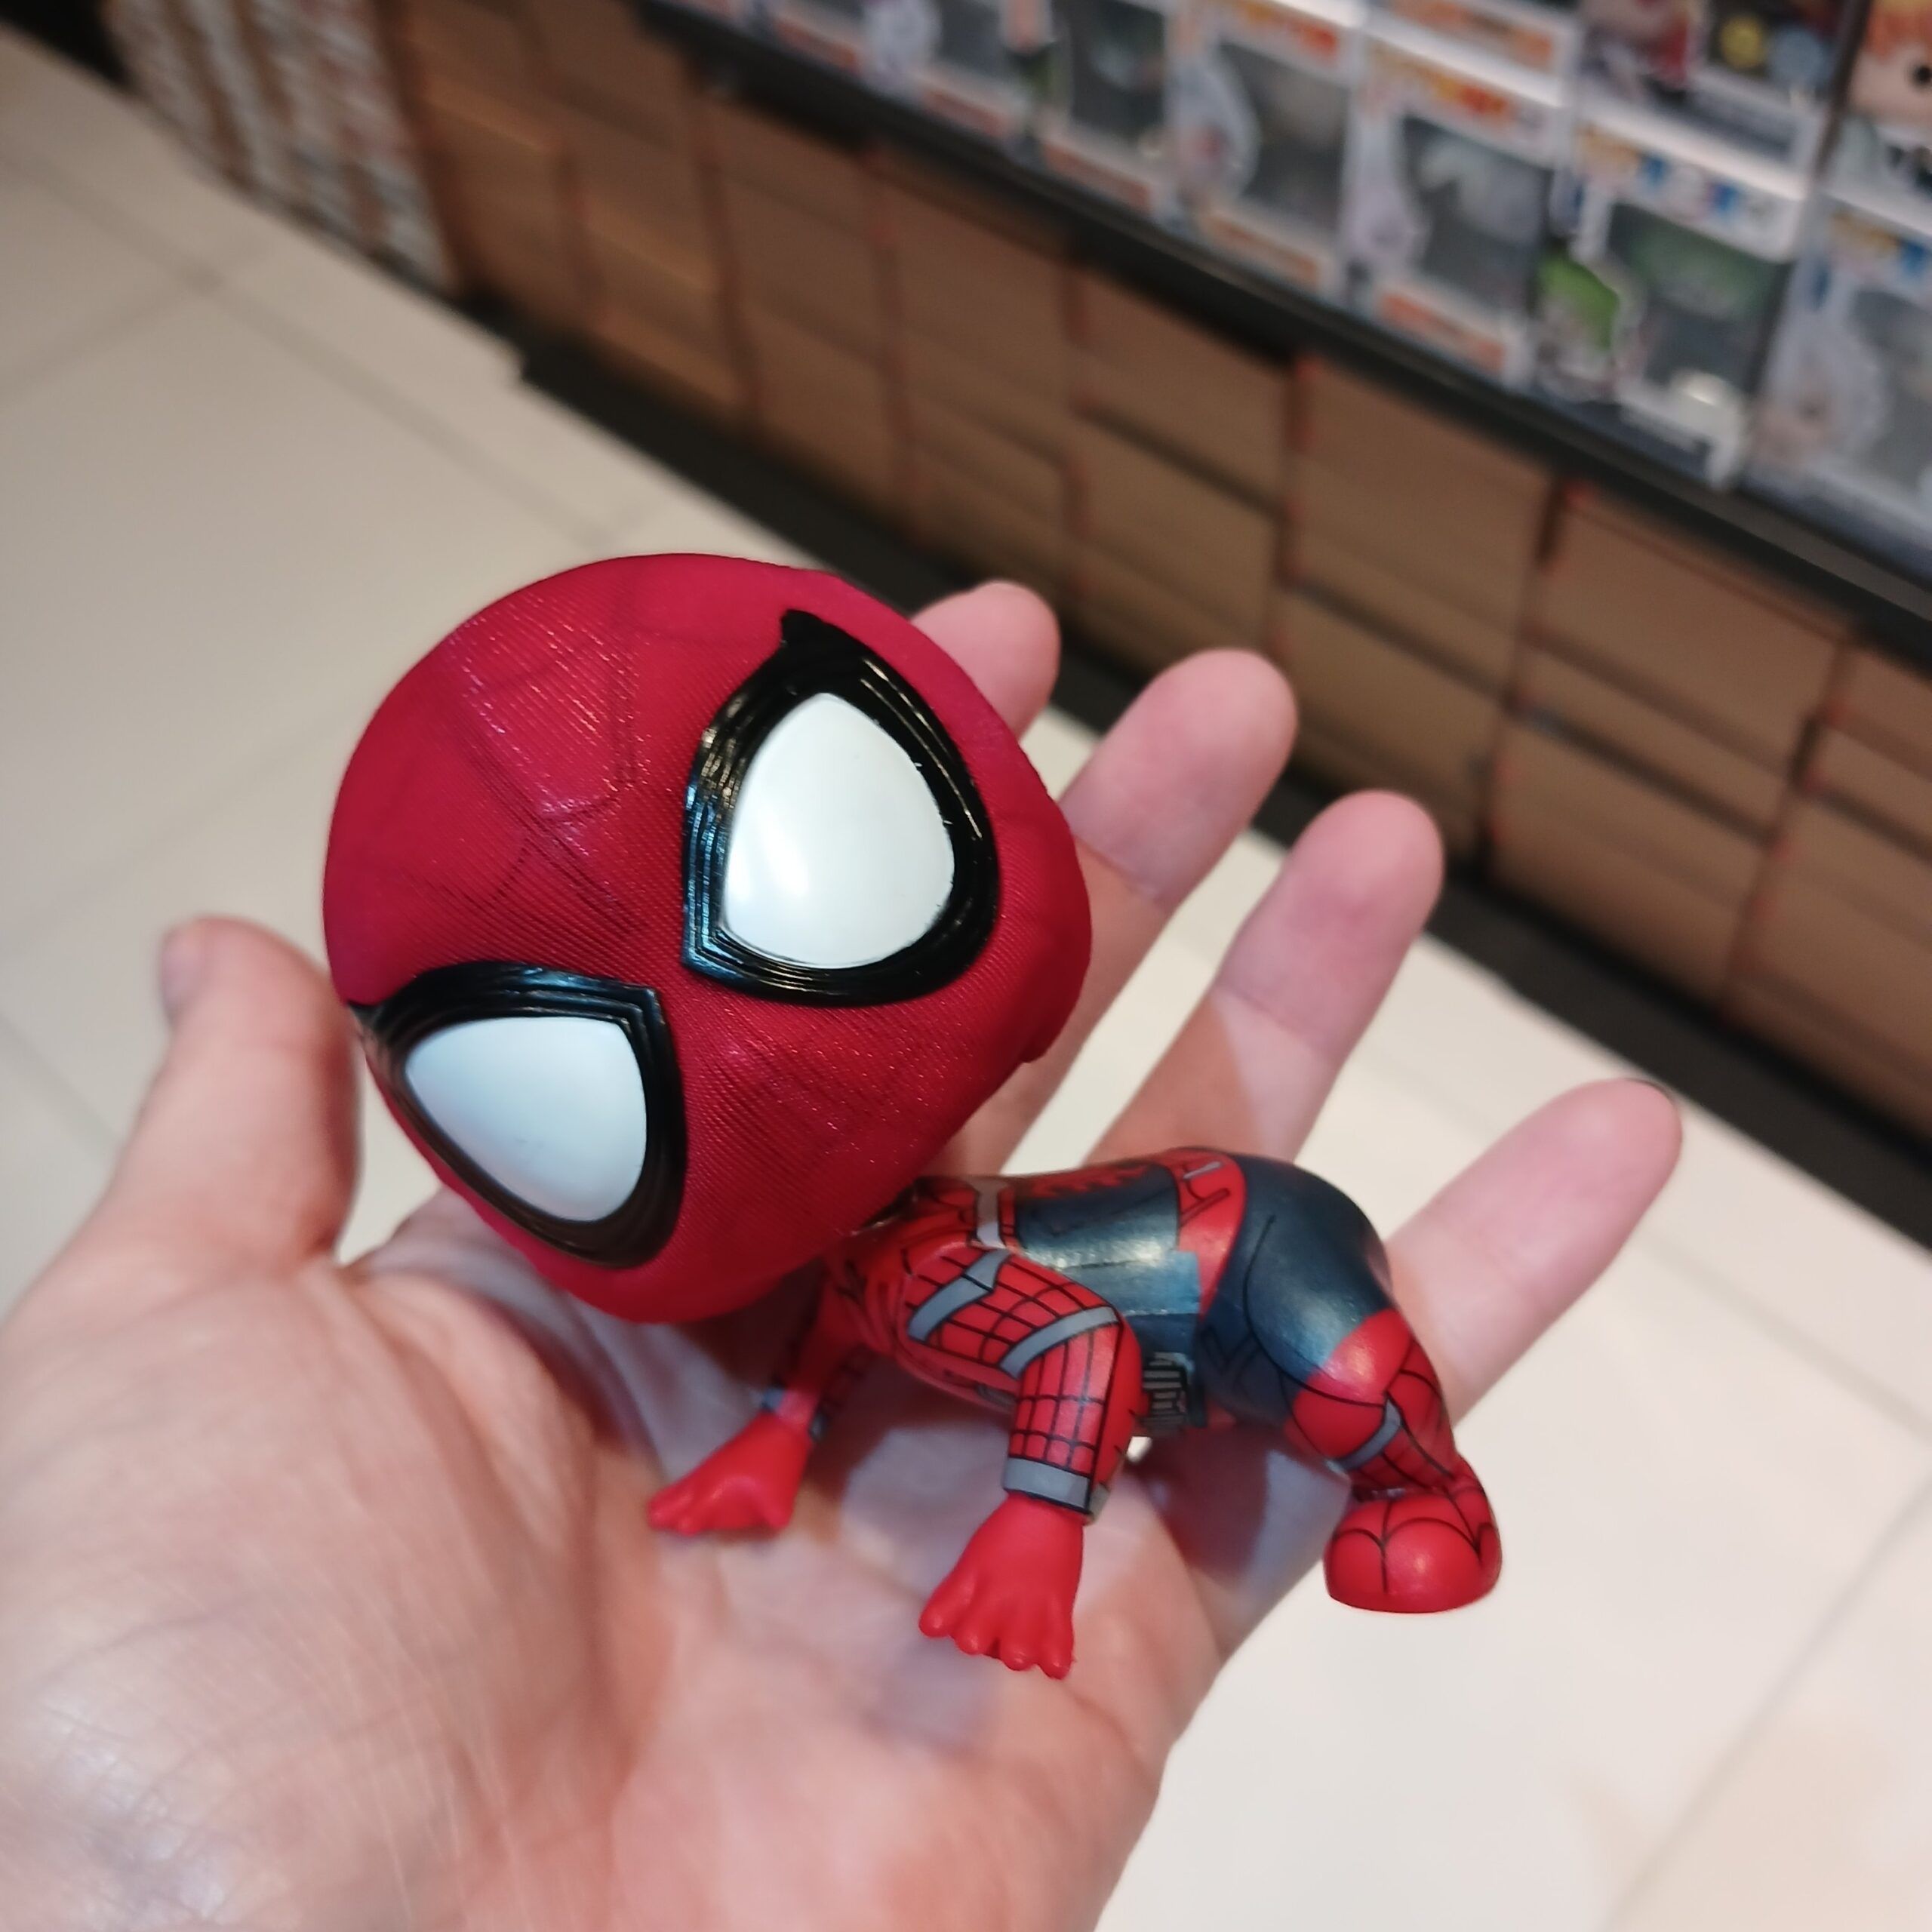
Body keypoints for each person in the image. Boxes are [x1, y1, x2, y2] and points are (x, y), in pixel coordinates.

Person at [0, 583, 1678, 1930]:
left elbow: (1070, 1344)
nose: (743, 1065)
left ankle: (1423, 1485)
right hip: (1178, 1254)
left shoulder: (919, 1268)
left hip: (1245, 1248)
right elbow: (892, 1331)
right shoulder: (882, 1277)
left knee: (1353, 1370)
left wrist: (1034, 1523)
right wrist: (782, 1435)